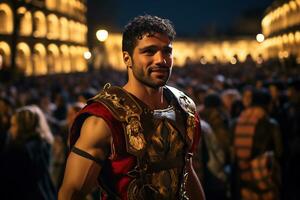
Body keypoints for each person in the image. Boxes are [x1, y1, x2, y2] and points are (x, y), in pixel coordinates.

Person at [59, 15, 205, 200]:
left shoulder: (185, 109)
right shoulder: (103, 118)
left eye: (167, 51)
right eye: (149, 51)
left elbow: (187, 171)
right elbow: (71, 193)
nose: (161, 60)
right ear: (127, 58)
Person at [231, 89, 283, 200]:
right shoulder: (271, 124)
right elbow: (279, 152)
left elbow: (232, 152)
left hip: (243, 177)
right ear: (267, 104)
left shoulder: (236, 122)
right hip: (264, 176)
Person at [0, 105, 56, 200]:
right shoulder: (44, 145)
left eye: (14, 125)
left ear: (23, 127)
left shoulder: (18, 152)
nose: (10, 130)